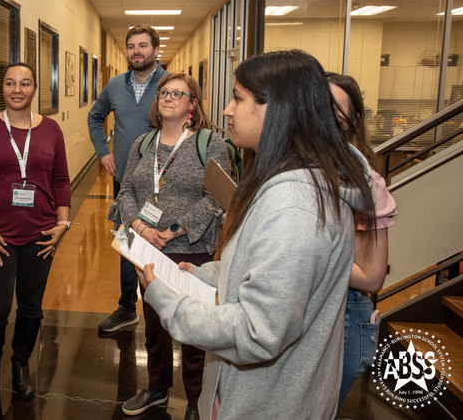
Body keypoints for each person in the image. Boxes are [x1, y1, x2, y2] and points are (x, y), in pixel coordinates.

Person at [138, 50, 375, 418]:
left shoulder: (296, 204)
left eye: (237, 97)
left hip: (269, 403)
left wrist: (167, 301)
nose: (228, 110)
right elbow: (260, 262)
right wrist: (202, 275)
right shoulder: (286, 181)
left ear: (276, 108)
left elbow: (258, 331)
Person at [111, 73, 230, 420]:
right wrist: (138, 226)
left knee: (194, 333)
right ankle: (157, 389)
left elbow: (216, 199)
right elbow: (126, 192)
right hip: (146, 247)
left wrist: (174, 231)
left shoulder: (210, 144)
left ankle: (196, 402)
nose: (168, 97)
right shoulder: (143, 144)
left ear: (192, 105)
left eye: (178, 94)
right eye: (164, 92)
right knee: (154, 325)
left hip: (192, 251)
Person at [0, 63, 71, 399]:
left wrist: (63, 223)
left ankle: (20, 362)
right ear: (3, 88)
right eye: (10, 83)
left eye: (25, 83)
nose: (17, 89)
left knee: (30, 306)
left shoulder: (51, 129)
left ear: (35, 88)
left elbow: (61, 180)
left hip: (40, 235)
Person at [88, 25, 168, 333]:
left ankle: (162, 308)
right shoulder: (115, 86)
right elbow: (95, 117)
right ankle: (126, 306)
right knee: (126, 243)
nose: (137, 51)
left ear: (155, 51)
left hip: (163, 184)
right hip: (124, 181)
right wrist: (102, 152)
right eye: (132, 46)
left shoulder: (169, 84)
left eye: (143, 46)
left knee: (162, 243)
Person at [327, 72, 397, 411]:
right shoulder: (298, 169)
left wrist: (305, 254)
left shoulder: (364, 181)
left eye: (334, 107)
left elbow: (371, 276)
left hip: (345, 313)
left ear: (353, 119)